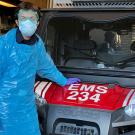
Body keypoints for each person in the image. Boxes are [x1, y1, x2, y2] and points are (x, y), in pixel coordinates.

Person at [0, 2, 80, 135]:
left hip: (27, 106)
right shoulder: (4, 44)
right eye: (23, 18)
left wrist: (63, 81)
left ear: (37, 23)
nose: (27, 22)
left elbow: (46, 67)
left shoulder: (37, 43)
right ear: (17, 22)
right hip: (5, 107)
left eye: (31, 19)